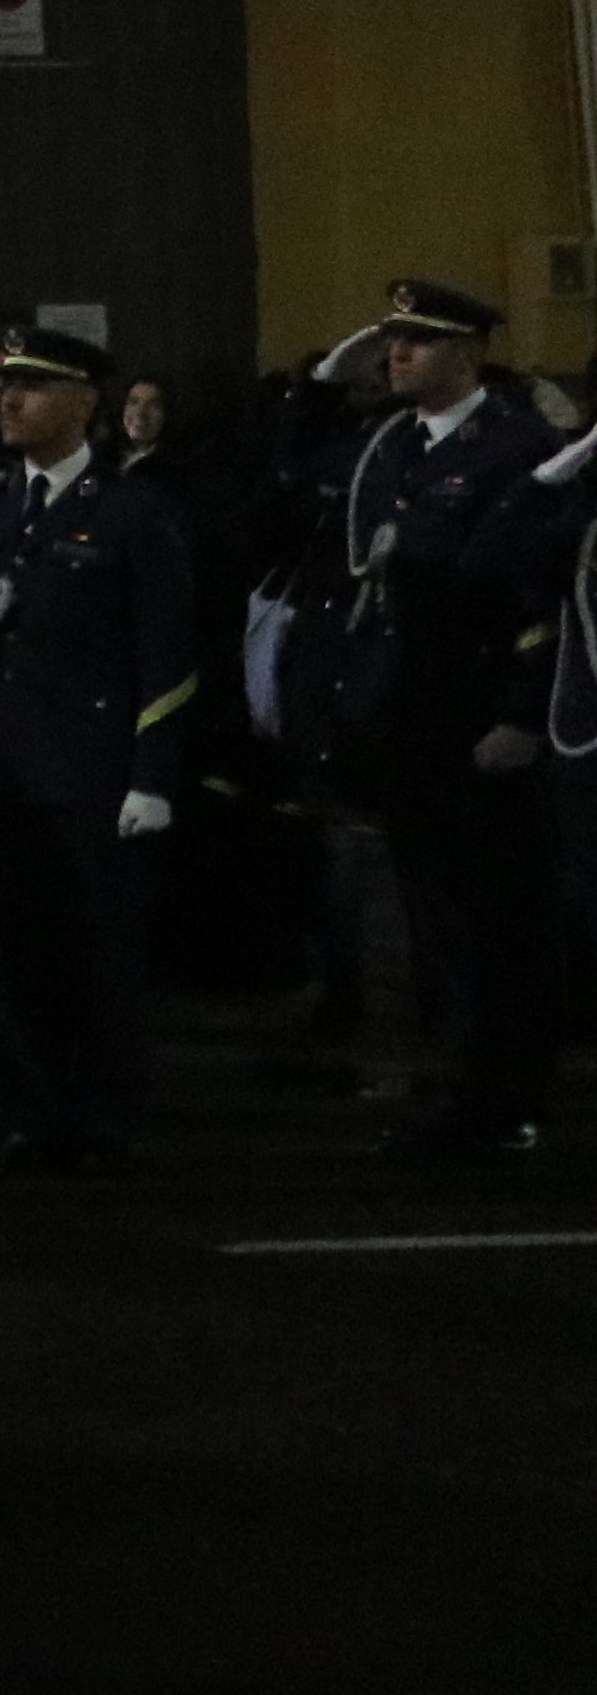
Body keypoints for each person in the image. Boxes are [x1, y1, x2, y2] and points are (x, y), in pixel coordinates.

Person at [287, 276, 566, 1157]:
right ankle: (466, 1091)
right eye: (390, 341)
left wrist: (523, 714)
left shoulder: (516, 451)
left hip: (471, 719)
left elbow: (541, 598)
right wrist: (324, 385)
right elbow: (295, 470)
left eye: (419, 340)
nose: (396, 354)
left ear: (471, 353)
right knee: (438, 923)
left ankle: (503, 1101)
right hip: (402, 718)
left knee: (494, 926)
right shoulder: (392, 446)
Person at [0, 324, 193, 1172]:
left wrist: (152, 777)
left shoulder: (128, 511)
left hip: (87, 772)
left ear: (85, 403)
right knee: (12, 958)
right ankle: (29, 1114)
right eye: (4, 387)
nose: (8, 400)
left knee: (97, 957)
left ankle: (104, 1118)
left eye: (32, 388)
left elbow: (167, 653)